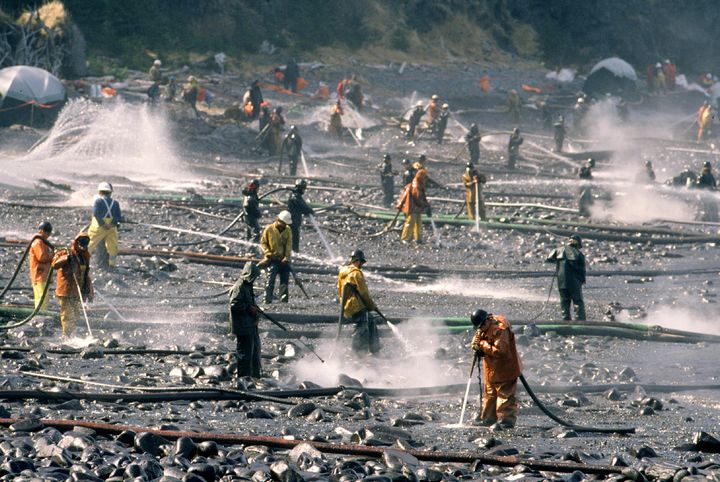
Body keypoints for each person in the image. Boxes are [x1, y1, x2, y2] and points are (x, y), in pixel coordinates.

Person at [470, 309, 522, 428]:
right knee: (490, 394)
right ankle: (488, 419)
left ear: (487, 320)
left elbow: (500, 350)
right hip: (491, 369)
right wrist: (475, 345)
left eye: (482, 325)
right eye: (479, 327)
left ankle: (506, 421)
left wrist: (482, 345)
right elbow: (478, 338)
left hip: (506, 368)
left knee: (505, 395)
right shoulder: (482, 327)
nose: (480, 328)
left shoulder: (500, 329)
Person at [337, 249, 380, 355]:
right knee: (361, 328)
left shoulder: (343, 272)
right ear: (356, 260)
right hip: (357, 305)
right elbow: (364, 293)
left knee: (371, 320)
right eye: (360, 262)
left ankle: (374, 349)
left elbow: (340, 289)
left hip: (348, 304)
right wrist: (372, 306)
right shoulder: (356, 273)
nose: (361, 264)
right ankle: (359, 354)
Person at [52, 233, 93, 336]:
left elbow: (86, 274)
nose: (82, 247)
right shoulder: (65, 252)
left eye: (85, 244)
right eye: (81, 244)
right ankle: (66, 335)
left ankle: (70, 333)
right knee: (67, 314)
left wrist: (89, 290)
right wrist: (66, 258)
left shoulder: (85, 256)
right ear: (76, 242)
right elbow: (54, 264)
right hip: (66, 289)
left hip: (78, 291)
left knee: (76, 314)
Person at [229, 261, 262, 379]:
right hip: (242, 326)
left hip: (250, 325)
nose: (255, 279)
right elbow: (234, 304)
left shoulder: (247, 286)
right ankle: (243, 378)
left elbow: (249, 302)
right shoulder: (239, 287)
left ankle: (253, 377)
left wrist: (256, 311)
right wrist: (249, 309)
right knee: (244, 354)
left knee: (253, 353)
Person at [546, 235, 587, 321]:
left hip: (561, 283)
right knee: (577, 301)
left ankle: (566, 320)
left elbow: (549, 258)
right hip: (574, 283)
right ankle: (580, 322)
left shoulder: (558, 250)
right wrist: (582, 280)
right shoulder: (578, 254)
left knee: (564, 302)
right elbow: (582, 271)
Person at [260, 211, 293, 304]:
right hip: (272, 259)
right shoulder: (269, 229)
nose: (284, 225)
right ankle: (267, 299)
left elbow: (289, 245)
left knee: (285, 280)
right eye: (283, 223)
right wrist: (268, 253)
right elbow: (263, 243)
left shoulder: (288, 230)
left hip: (283, 260)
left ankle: (283, 300)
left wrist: (286, 258)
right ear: (278, 220)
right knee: (270, 279)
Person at [88, 182, 121, 270]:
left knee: (90, 244)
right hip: (111, 228)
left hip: (98, 228)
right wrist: (111, 224)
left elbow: (96, 213)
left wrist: (103, 224)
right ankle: (112, 264)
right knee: (112, 246)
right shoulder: (115, 203)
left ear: (100, 192)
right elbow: (118, 216)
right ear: (110, 192)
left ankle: (82, 262)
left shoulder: (98, 201)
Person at [397, 167, 429, 244]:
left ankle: (418, 238)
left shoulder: (420, 183)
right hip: (412, 207)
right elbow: (417, 197)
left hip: (417, 208)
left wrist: (426, 205)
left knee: (418, 223)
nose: (425, 179)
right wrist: (424, 205)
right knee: (410, 223)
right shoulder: (416, 185)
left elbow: (422, 197)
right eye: (424, 177)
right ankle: (405, 238)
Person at [29, 221, 55, 310]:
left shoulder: (43, 242)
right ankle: (40, 315)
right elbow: (42, 257)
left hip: (43, 274)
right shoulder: (38, 242)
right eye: (46, 232)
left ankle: (42, 314)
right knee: (41, 297)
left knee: (44, 296)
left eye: (49, 232)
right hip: (39, 274)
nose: (48, 234)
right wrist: (53, 255)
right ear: (41, 231)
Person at [287, 179, 314, 252]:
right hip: (292, 222)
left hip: (295, 221)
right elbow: (302, 206)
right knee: (294, 238)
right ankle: (293, 251)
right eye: (303, 188)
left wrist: (308, 210)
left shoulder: (297, 196)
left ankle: (294, 251)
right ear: (300, 188)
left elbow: (303, 206)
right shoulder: (294, 197)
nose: (304, 191)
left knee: (295, 237)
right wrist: (309, 210)